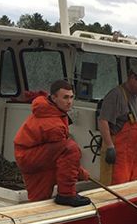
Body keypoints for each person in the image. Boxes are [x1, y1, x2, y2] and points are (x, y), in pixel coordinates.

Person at [14, 79, 91, 207]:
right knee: (70, 148)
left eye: (72, 97)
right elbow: (65, 154)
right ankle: (66, 195)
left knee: (39, 200)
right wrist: (82, 173)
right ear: (54, 98)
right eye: (65, 97)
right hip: (29, 157)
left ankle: (38, 209)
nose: (69, 102)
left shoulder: (51, 109)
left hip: (30, 154)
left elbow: (57, 155)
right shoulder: (53, 126)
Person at [98, 58, 137, 185]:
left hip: (134, 157)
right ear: (133, 77)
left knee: (131, 188)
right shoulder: (115, 95)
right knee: (116, 188)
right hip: (118, 157)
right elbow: (103, 121)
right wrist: (110, 147)